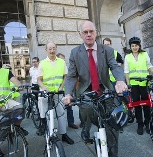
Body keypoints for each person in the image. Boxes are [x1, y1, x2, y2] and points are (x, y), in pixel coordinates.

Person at [63, 20, 128, 157]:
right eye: (85, 32)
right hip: (86, 91)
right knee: (86, 110)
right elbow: (71, 76)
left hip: (104, 90)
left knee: (112, 125)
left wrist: (120, 81)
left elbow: (115, 67)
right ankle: (85, 129)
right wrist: (68, 93)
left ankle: (112, 153)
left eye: (91, 31)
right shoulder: (75, 53)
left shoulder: (108, 50)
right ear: (80, 34)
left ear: (96, 33)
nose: (88, 34)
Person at [36, 42, 74, 145]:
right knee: (46, 113)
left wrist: (61, 87)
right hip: (46, 93)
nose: (52, 51)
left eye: (53, 48)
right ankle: (45, 128)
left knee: (61, 114)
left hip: (58, 92)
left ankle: (64, 135)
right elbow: (39, 79)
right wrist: (44, 88)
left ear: (56, 49)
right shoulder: (42, 63)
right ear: (46, 50)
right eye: (50, 49)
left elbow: (66, 76)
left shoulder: (61, 62)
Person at [124, 36, 153, 135]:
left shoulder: (144, 54)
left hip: (144, 83)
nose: (134, 47)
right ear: (130, 47)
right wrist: (128, 84)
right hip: (134, 84)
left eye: (136, 45)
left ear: (139, 46)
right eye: (132, 46)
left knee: (146, 104)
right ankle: (140, 124)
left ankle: (148, 123)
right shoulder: (128, 56)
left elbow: (149, 66)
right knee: (137, 104)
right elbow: (126, 71)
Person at [56, 53, 78, 129]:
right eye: (62, 60)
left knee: (69, 108)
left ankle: (71, 123)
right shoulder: (55, 68)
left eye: (64, 60)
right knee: (58, 110)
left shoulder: (66, 68)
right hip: (57, 92)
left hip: (66, 92)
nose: (63, 62)